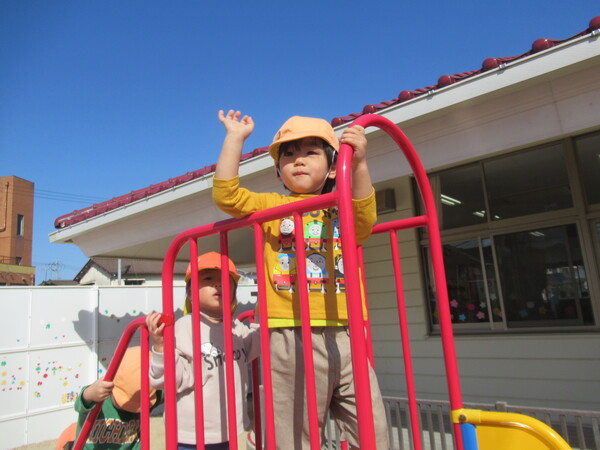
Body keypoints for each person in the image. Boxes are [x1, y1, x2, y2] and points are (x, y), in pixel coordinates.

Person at [213, 110, 389, 449]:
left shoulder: (341, 207)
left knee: (372, 431)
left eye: (311, 152)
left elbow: (365, 220)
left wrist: (360, 165)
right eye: (288, 155)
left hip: (346, 331)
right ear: (279, 171)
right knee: (296, 433)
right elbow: (226, 196)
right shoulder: (271, 206)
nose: (298, 161)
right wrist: (234, 138)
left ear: (333, 164)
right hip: (290, 332)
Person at [146, 251, 260, 450]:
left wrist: (263, 318)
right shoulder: (184, 327)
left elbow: (255, 346)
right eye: (208, 279)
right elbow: (168, 380)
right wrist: (160, 346)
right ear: (190, 292)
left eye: (226, 280)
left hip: (227, 426)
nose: (218, 284)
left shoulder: (235, 328)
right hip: (192, 433)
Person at [72, 346, 162, 450]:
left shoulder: (151, 396)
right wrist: (89, 393)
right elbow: (81, 403)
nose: (127, 408)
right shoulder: (98, 397)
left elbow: (172, 388)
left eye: (135, 403)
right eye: (124, 401)